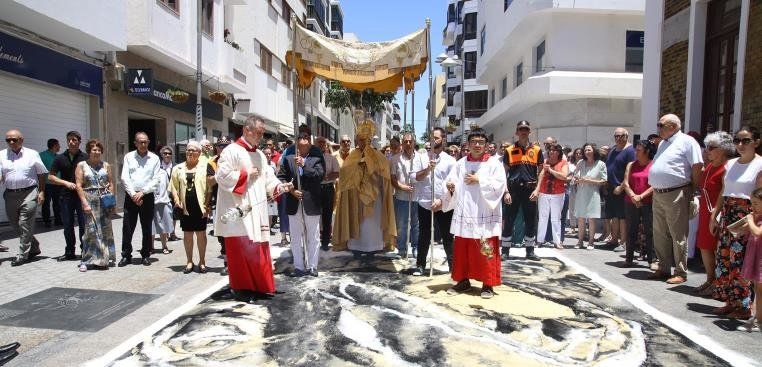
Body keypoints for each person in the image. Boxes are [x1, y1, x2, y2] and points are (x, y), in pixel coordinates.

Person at [214, 116, 293, 300]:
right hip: (238, 210)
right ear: (246, 130)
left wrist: (280, 187)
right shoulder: (231, 151)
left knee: (257, 248)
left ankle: (259, 286)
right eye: (258, 132)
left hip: (257, 211)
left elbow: (269, 178)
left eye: (262, 133)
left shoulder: (259, 155)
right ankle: (242, 288)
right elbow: (221, 176)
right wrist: (246, 174)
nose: (261, 136)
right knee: (240, 250)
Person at [442, 128, 507, 299]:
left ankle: (488, 284)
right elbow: (451, 182)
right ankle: (463, 281)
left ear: (486, 145)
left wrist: (480, 180)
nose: (477, 145)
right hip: (465, 212)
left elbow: (500, 185)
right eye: (474, 142)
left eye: (481, 142)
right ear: (468, 145)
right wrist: (450, 187)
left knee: (486, 249)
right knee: (463, 250)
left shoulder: (494, 163)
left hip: (484, 213)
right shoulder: (461, 163)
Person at [709, 126, 762, 319]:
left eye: (746, 141)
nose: (740, 145)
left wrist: (752, 221)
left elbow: (759, 197)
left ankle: (744, 305)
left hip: (747, 215)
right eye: (737, 140)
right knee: (724, 258)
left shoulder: (760, 165)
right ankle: (730, 301)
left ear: (756, 142)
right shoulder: (730, 164)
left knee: (740, 261)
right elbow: (724, 191)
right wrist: (714, 214)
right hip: (728, 215)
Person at [649, 114, 703, 284]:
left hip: (677, 192)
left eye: (661, 125)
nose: (658, 128)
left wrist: (692, 190)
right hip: (658, 193)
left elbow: (697, 166)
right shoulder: (663, 144)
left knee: (678, 233)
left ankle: (681, 271)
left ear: (672, 126)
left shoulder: (687, 141)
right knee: (659, 232)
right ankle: (664, 267)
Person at [332, 120, 396, 257]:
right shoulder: (352, 157)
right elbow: (345, 173)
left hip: (375, 197)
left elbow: (385, 174)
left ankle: (375, 246)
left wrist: (372, 168)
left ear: (370, 140)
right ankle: (355, 245)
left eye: (366, 139)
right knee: (359, 224)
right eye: (360, 139)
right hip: (355, 196)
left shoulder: (379, 156)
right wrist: (358, 168)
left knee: (372, 224)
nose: (363, 142)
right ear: (357, 140)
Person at [278, 133, 325, 276]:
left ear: (310, 145)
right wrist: (291, 190)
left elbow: (320, 175)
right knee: (296, 236)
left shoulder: (316, 158)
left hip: (312, 202)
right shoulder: (288, 159)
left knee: (313, 236)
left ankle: (312, 266)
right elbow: (281, 178)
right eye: (300, 145)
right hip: (294, 202)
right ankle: (298, 266)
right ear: (297, 145)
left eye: (306, 145)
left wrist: (304, 165)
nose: (303, 148)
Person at [411, 127, 456, 274]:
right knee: (424, 235)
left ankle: (453, 267)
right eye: (431, 137)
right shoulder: (421, 157)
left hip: (444, 204)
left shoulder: (450, 160)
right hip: (425, 202)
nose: (433, 140)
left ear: (443, 139)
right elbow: (414, 177)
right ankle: (420, 265)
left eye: (436, 138)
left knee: (447, 236)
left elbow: (453, 184)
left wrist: (442, 201)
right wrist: (427, 170)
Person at [693, 132, 733, 295]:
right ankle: (710, 279)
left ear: (723, 149)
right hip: (704, 210)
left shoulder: (727, 168)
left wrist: (715, 215)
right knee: (704, 245)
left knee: (716, 247)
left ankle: (718, 282)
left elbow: (724, 193)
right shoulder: (709, 166)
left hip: (716, 212)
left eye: (711, 147)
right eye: (707, 147)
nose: (707, 150)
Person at [2, 130, 47, 266]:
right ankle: (34, 246)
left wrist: (41, 191)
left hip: (29, 193)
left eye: (14, 139)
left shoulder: (32, 154)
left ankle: (22, 255)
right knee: (15, 224)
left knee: (24, 223)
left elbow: (41, 173)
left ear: (21, 140)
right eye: (8, 140)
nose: (11, 142)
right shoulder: (1, 155)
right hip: (10, 194)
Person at [171, 141, 214, 274]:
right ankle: (189, 261)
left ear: (199, 153)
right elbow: (173, 186)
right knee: (187, 234)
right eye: (188, 150)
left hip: (200, 206)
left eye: (193, 150)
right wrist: (177, 200)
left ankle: (202, 261)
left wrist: (207, 205)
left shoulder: (205, 166)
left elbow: (209, 188)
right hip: (185, 207)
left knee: (201, 234)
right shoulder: (177, 168)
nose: (190, 152)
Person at [502, 120, 543, 261]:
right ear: (516, 132)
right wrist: (506, 191)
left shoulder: (537, 150)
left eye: (526, 129)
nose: (523, 131)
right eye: (521, 129)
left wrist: (538, 190)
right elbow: (504, 172)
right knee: (509, 220)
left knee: (530, 220)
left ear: (529, 131)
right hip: (513, 190)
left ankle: (530, 251)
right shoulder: (509, 150)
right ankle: (505, 250)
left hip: (530, 190)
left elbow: (542, 171)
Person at [119, 132, 160, 267]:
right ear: (135, 143)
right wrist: (133, 194)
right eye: (140, 142)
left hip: (146, 196)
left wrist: (142, 193)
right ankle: (126, 255)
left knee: (147, 227)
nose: (143, 144)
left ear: (148, 142)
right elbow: (125, 177)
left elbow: (156, 179)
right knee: (128, 227)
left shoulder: (154, 158)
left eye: (145, 142)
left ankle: (146, 254)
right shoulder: (129, 157)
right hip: (131, 196)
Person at [76, 139, 116, 271]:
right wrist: (84, 202)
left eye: (99, 150)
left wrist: (112, 201)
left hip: (104, 200)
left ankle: (103, 259)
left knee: (105, 230)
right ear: (89, 151)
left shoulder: (106, 165)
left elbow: (111, 183)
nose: (97, 152)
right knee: (91, 231)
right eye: (94, 149)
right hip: (90, 200)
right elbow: (79, 185)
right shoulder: (82, 165)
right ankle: (86, 260)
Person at [48, 131, 88, 261]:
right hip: (65, 196)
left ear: (79, 141)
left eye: (74, 140)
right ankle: (69, 251)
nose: (71, 142)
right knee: (68, 225)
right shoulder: (60, 158)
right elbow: (51, 176)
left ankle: (85, 251)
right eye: (69, 140)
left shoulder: (85, 157)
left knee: (83, 224)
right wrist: (65, 183)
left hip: (82, 196)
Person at [620, 140, 656, 267]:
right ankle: (629, 258)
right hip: (631, 202)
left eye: (639, 150)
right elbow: (625, 183)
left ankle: (652, 260)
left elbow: (655, 185)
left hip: (648, 202)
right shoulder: (631, 165)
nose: (636, 152)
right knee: (631, 230)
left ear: (647, 152)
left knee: (650, 231)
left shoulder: (653, 165)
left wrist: (640, 196)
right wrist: (634, 196)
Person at [606, 128, 635, 251]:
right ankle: (614, 239)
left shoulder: (630, 151)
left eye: (620, 136)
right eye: (615, 136)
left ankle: (623, 242)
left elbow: (631, 171)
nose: (617, 138)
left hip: (621, 188)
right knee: (614, 215)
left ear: (626, 136)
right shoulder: (613, 149)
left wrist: (622, 186)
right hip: (611, 187)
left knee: (622, 217)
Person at [573, 143, 607, 250]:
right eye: (585, 150)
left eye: (589, 150)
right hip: (581, 192)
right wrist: (576, 179)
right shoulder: (580, 162)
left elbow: (604, 180)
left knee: (592, 219)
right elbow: (575, 175)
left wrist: (588, 180)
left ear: (594, 151)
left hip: (593, 193)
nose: (586, 152)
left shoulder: (600, 164)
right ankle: (580, 241)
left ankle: (591, 242)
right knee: (581, 218)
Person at [534, 144, 568, 249]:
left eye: (554, 150)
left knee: (556, 218)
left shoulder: (563, 162)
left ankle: (557, 241)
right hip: (544, 193)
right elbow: (540, 175)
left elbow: (564, 176)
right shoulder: (545, 162)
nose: (551, 152)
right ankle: (539, 240)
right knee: (542, 218)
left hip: (558, 194)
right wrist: (537, 189)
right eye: (550, 150)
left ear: (558, 152)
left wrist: (551, 171)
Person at [391, 132, 420, 259]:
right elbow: (392, 178)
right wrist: (402, 187)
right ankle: (402, 249)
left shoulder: (421, 158)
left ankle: (416, 248)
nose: (408, 143)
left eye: (410, 141)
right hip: (401, 198)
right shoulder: (395, 159)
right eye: (405, 141)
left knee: (416, 225)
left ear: (414, 143)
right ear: (402, 143)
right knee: (402, 225)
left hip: (417, 198)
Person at [738, 187, 762, 332]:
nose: (753, 207)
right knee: (756, 289)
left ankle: (758, 320)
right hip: (754, 256)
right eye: (752, 203)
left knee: (760, 290)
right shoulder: (756, 217)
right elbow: (746, 231)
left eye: (757, 204)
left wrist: (749, 220)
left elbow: (757, 232)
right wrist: (742, 227)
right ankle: (756, 318)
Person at [315, 137, 339, 251]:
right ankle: (314, 241)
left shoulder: (331, 158)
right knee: (314, 216)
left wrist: (327, 177)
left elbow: (337, 173)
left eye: (323, 143)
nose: (321, 145)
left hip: (328, 189)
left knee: (327, 216)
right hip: (315, 189)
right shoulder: (311, 158)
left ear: (326, 145)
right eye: (319, 143)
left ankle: (325, 243)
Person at [153, 147, 174, 255]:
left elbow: (167, 187)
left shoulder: (163, 173)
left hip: (163, 200)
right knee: (151, 225)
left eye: (169, 153)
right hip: (151, 202)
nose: (166, 155)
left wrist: (166, 197)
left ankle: (164, 246)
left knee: (164, 225)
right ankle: (150, 247)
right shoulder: (148, 172)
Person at [159, 146, 180, 242]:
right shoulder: (158, 167)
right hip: (162, 194)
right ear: (162, 155)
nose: (167, 155)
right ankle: (165, 233)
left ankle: (172, 233)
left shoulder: (176, 166)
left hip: (174, 193)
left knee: (174, 214)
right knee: (164, 214)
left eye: (169, 153)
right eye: (165, 153)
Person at [39, 138, 61, 227]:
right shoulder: (42, 155)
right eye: (58, 145)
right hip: (46, 184)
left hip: (57, 184)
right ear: (54, 146)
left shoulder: (58, 156)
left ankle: (58, 220)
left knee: (58, 203)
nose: (59, 147)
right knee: (46, 204)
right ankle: (47, 221)